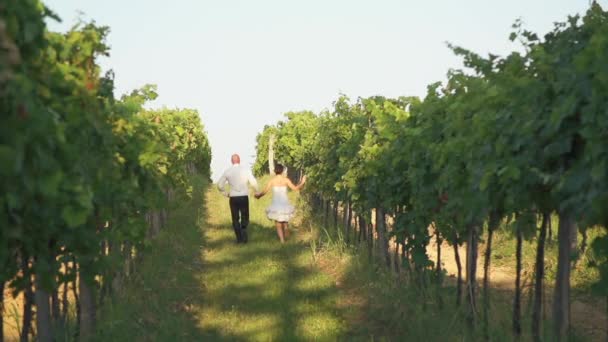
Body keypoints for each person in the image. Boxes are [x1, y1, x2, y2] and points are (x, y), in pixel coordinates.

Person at [255, 164, 306, 243]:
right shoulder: (286, 180)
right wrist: (302, 182)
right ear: (282, 171)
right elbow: (295, 188)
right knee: (285, 221)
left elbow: (264, 191)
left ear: (275, 171)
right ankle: (286, 231)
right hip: (284, 202)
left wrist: (258, 196)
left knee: (278, 223)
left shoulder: (272, 181)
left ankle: (282, 241)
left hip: (276, 203)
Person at [217, 154, 259, 243]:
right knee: (245, 215)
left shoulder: (228, 171)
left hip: (233, 197)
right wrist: (256, 191)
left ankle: (239, 239)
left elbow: (220, 185)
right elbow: (253, 182)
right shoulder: (245, 170)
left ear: (231, 161)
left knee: (235, 218)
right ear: (239, 160)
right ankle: (244, 231)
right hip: (243, 196)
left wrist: (225, 193)